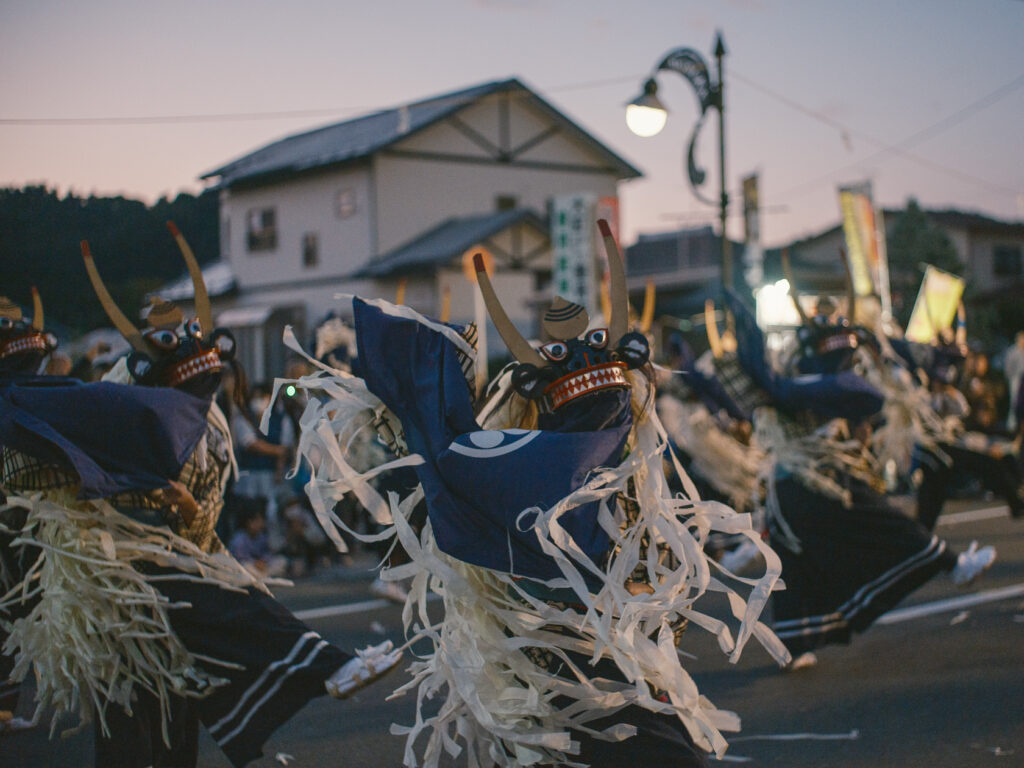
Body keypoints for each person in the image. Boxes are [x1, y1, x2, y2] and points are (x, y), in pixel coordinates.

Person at [278, 222, 788, 767]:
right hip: (582, 666)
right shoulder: (542, 461)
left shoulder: (615, 457)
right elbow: (455, 455)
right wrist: (434, 372)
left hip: (601, 667)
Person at [229, 506, 288, 578]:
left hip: (261, 567)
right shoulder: (239, 539)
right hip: (248, 566)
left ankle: (262, 577)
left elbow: (267, 552)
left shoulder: (261, 537)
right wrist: (255, 563)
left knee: (281, 560)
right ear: (249, 522)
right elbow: (240, 559)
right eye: (257, 521)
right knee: (246, 566)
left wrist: (263, 561)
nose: (261, 524)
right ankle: (263, 577)